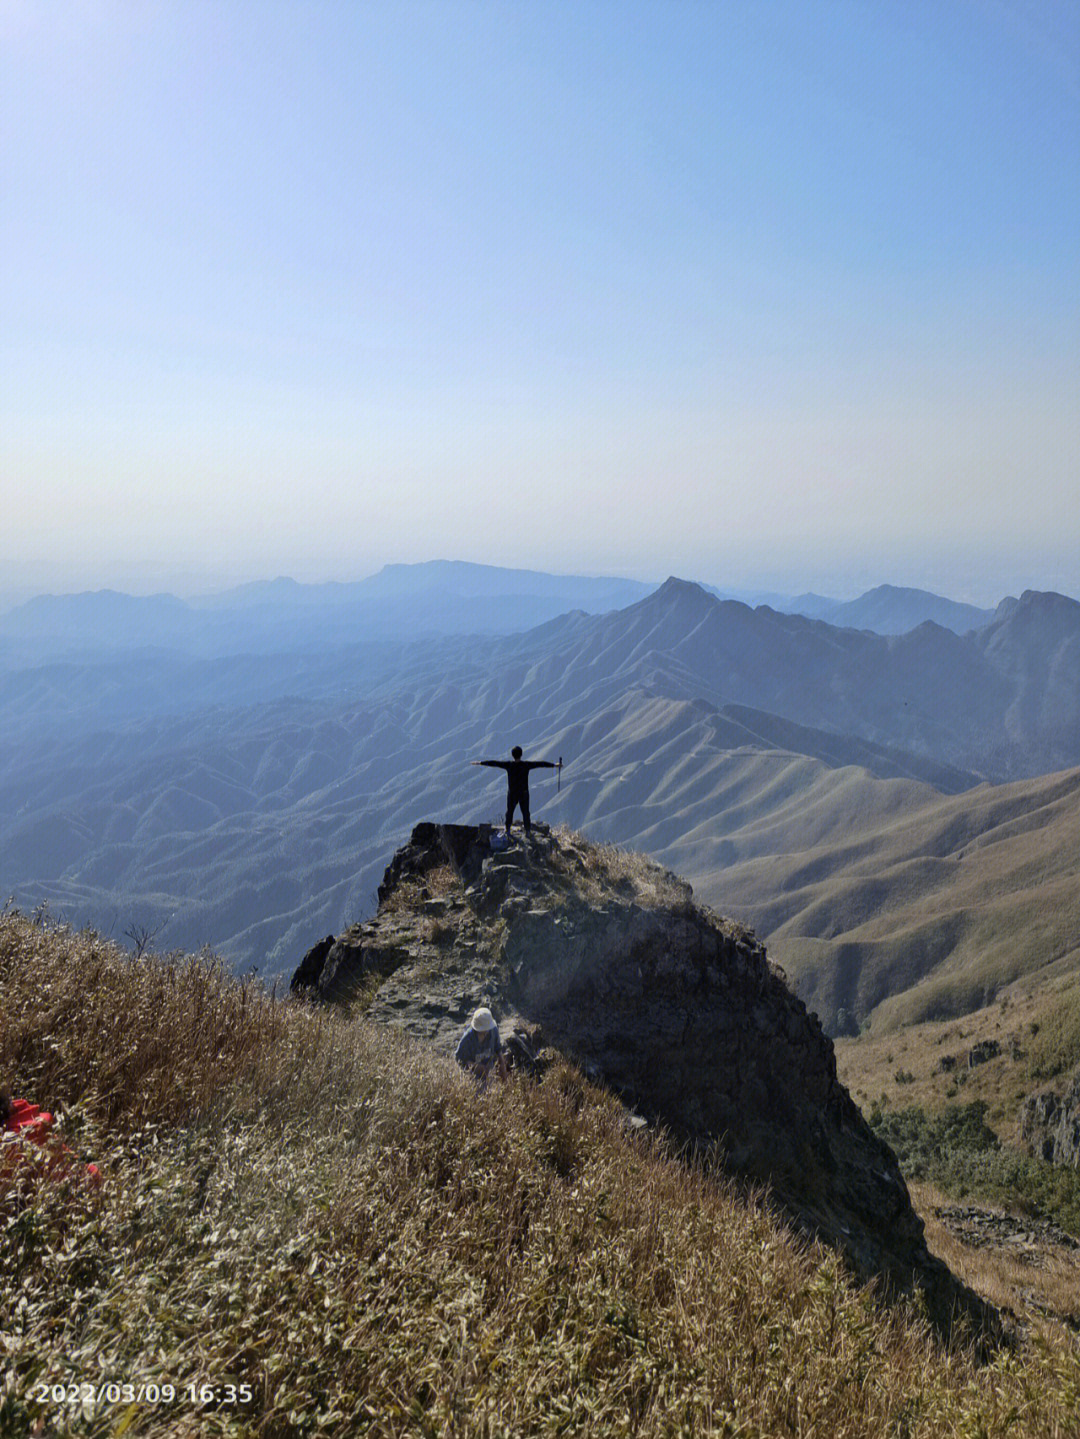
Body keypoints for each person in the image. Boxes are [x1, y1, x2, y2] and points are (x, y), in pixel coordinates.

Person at [471, 746, 557, 835]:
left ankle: (507, 829)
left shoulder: (509, 765)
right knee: (526, 813)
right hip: (524, 793)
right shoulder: (526, 765)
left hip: (512, 794)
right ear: (521, 754)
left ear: (512, 755)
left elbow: (495, 763)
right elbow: (540, 764)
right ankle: (527, 831)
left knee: (509, 812)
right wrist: (554, 765)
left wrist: (480, 763)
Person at [455, 1007, 508, 1084]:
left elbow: (498, 1049)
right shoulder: (467, 1039)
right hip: (472, 1075)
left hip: (490, 1070)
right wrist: (474, 1067)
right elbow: (459, 1058)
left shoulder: (493, 1031)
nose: (487, 1032)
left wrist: (503, 1068)